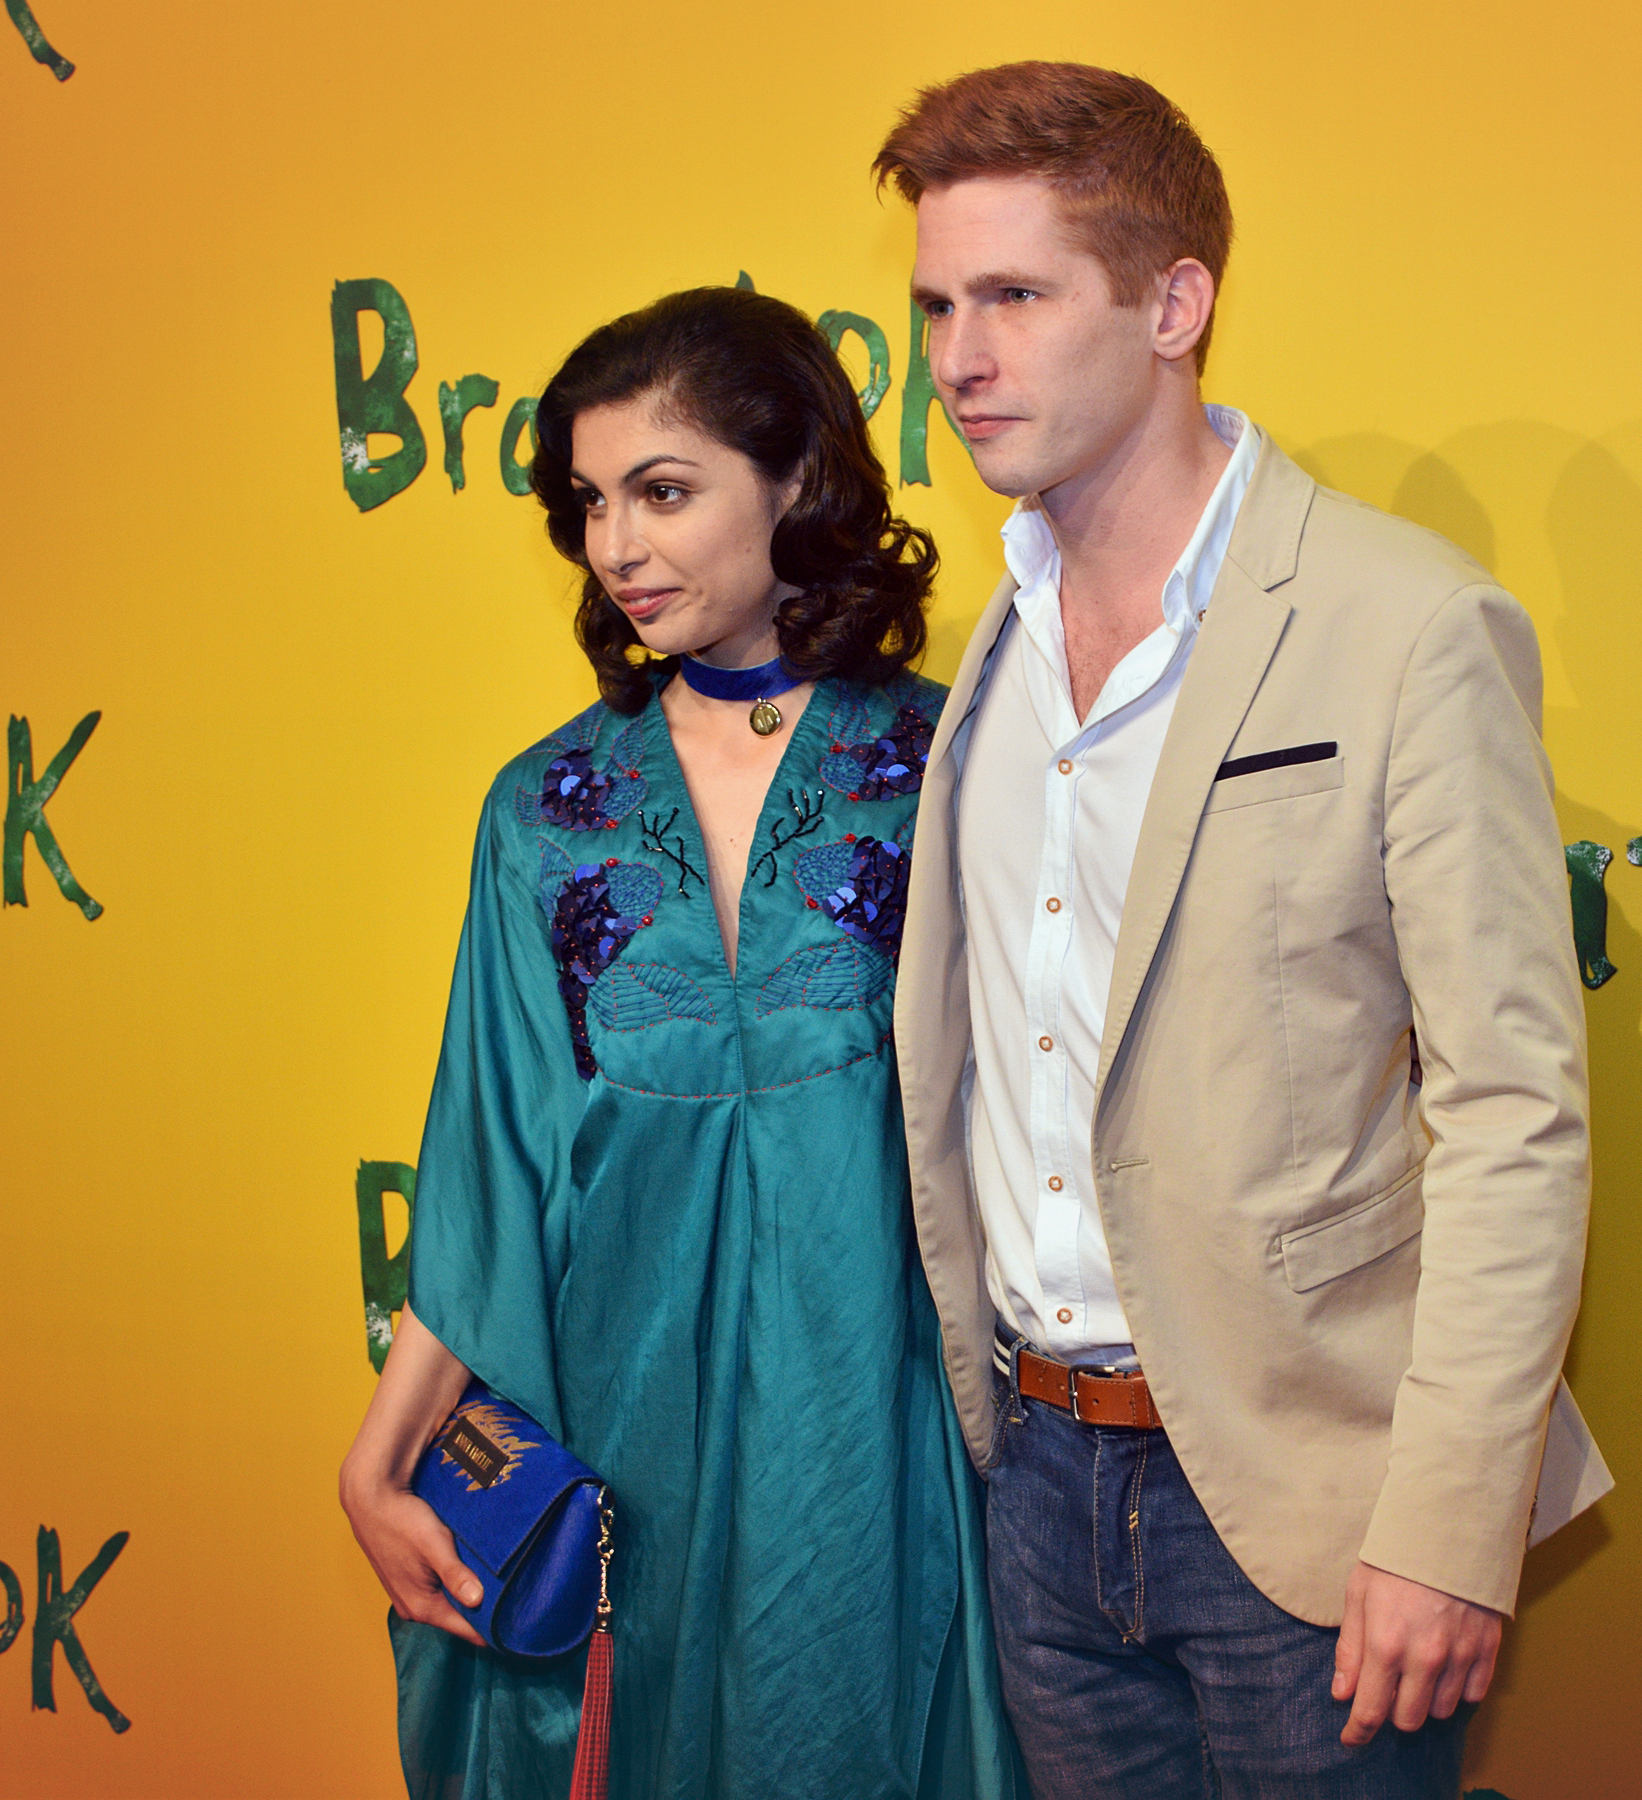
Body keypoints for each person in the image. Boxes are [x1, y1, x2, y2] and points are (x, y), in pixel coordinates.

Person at [875, 63, 1609, 1799]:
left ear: (1173, 305)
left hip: (1312, 1502)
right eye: (937, 307)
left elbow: (1513, 1108)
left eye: (1014, 296)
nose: (958, 357)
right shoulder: (995, 643)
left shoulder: (1405, 624)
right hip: (1037, 1486)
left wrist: (1446, 1526)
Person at [337, 286, 1020, 1800]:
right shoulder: (544, 805)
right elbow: (498, 1166)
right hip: (624, 1419)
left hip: (887, 1419)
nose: (616, 548)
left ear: (796, 480)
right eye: (589, 504)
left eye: (662, 491)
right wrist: (379, 1451)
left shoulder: (951, 761)